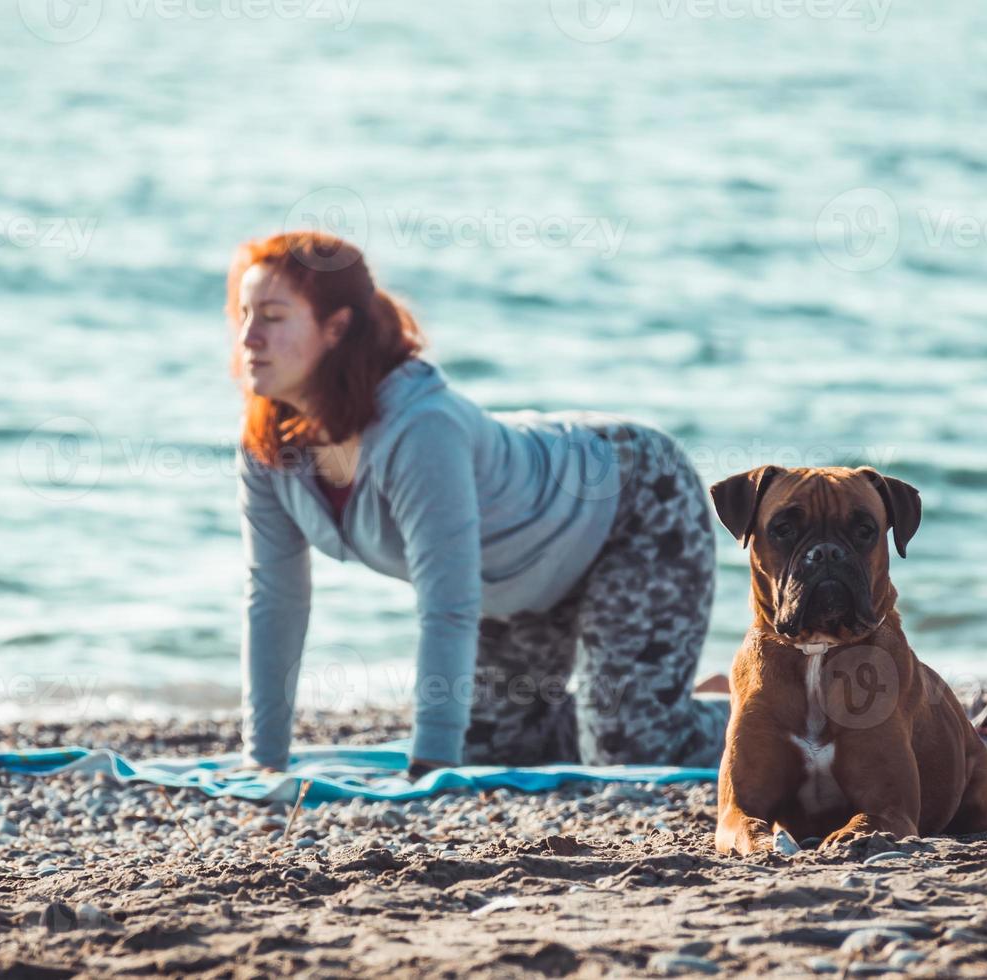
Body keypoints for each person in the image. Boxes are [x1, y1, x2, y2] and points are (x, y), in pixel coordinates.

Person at [230, 231, 730, 779]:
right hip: (518, 575)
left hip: (634, 502)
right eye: (245, 315)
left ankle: (758, 715)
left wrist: (431, 768)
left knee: (629, 753)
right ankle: (659, 702)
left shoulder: (421, 429)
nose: (249, 337)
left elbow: (448, 603)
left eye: (273, 317)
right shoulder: (269, 447)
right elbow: (275, 598)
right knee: (497, 751)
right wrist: (265, 761)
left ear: (337, 328)